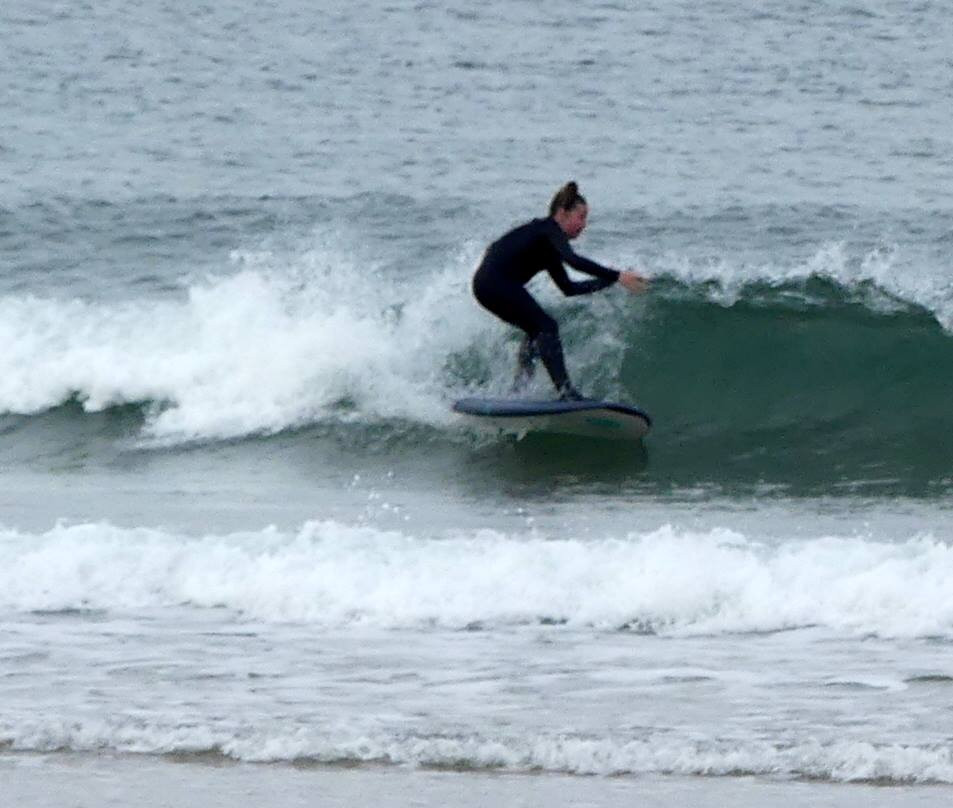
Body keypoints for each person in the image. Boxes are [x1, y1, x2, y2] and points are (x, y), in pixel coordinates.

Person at [471, 181, 647, 400]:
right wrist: (618, 275)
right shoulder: (549, 229)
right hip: (495, 282)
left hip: (485, 285)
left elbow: (569, 288)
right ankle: (566, 392)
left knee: (536, 331)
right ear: (562, 213)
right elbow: (573, 260)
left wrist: (609, 281)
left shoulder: (547, 245)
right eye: (580, 217)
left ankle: (518, 391)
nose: (584, 225)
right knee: (547, 326)